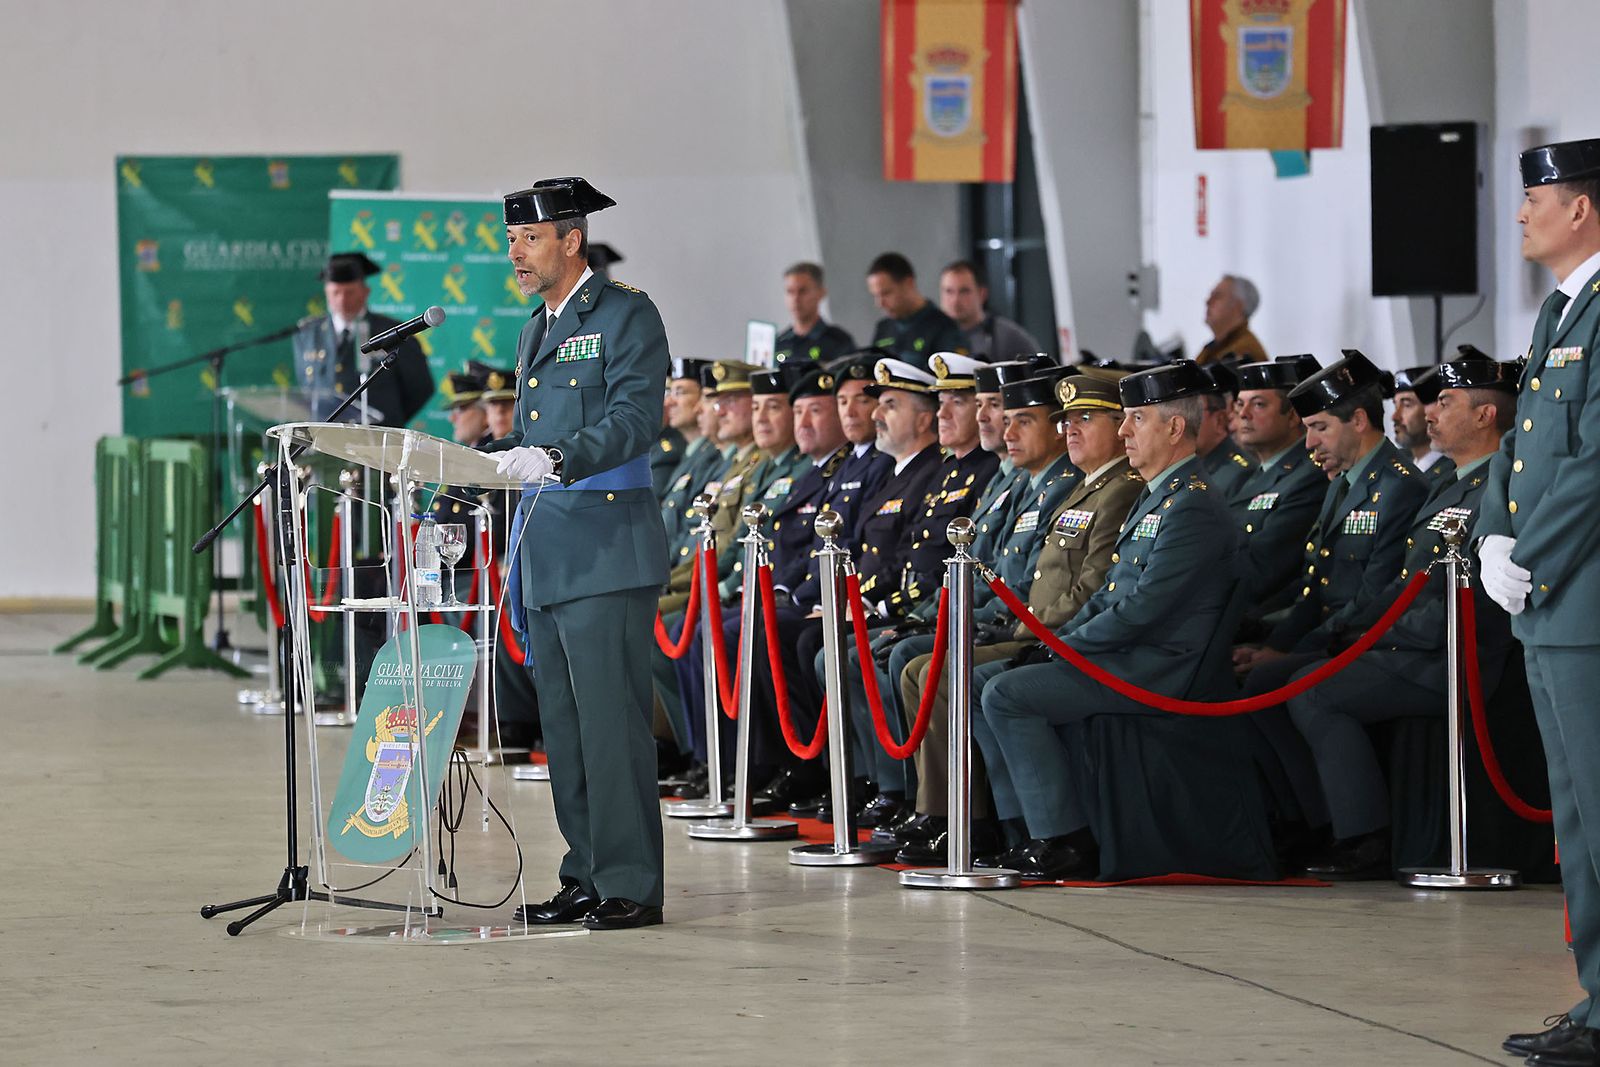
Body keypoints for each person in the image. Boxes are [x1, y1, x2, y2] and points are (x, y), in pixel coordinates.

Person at [976, 360, 1237, 879]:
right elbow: (1112, 592)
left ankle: (1062, 838)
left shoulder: (1190, 505)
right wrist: (1060, 640)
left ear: (1174, 427)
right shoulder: (1160, 494)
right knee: (982, 679)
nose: (1123, 431)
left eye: (1135, 419)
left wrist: (1066, 646)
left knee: (1003, 694)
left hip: (1156, 666)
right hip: (1123, 651)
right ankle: (1019, 829)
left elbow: (1143, 609)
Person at [490, 176, 669, 930]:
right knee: (564, 728)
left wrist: (556, 457)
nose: (517, 254)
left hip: (604, 548)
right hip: (548, 553)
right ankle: (587, 871)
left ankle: (631, 881)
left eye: (530, 239)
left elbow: (635, 418)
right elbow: (531, 436)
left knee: (609, 725)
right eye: (510, 242)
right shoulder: (537, 326)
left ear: (572, 239)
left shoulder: (626, 313)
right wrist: (484, 462)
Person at [1283, 357, 1519, 879]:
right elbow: (1403, 584)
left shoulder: (1497, 492)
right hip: (1415, 642)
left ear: (1484, 416)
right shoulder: (1449, 484)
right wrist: (1360, 630)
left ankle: (1364, 837)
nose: (1428, 414)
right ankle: (1329, 825)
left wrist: (1370, 635)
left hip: (1460, 654)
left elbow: (1470, 607)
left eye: (1446, 403)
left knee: (1312, 692)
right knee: (1296, 680)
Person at [1478, 138, 1600, 1066]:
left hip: (1584, 602)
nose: (1522, 213)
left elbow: (1595, 463)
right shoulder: (1560, 312)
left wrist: (1535, 554)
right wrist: (1491, 533)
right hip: (1550, 606)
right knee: (1575, 819)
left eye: (1536, 197)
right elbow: (1521, 449)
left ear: (1582, 209)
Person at [1229, 356, 1326, 614]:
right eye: (1240, 404)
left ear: (1293, 416)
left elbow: (1265, 569)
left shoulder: (1308, 476)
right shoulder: (1254, 474)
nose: (1244, 414)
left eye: (1258, 404)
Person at [293, 251, 435, 425]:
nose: (342, 300)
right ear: (326, 293)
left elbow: (420, 388)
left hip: (377, 441)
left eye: (349, 292)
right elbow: (306, 389)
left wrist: (388, 420)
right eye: (336, 293)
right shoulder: (307, 334)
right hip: (324, 439)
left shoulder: (394, 332)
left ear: (365, 292)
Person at [867, 252, 969, 371]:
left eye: (886, 293)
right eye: (875, 296)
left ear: (908, 283)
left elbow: (953, 378)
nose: (880, 303)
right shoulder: (883, 328)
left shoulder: (943, 327)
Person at [938, 259, 1041, 362]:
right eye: (949, 291)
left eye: (964, 291)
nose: (955, 300)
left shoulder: (1008, 337)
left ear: (982, 293)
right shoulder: (933, 335)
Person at [774, 262, 856, 365]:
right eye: (790, 292)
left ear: (821, 293)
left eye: (803, 291)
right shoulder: (778, 344)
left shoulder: (838, 341)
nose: (795, 299)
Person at [1391, 365, 1452, 477]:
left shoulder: (1450, 471)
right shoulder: (1400, 465)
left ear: (1432, 409)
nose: (1395, 416)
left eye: (1406, 405)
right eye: (1396, 405)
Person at [1196, 274, 1268, 366]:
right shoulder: (1212, 349)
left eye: (1217, 296)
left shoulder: (1245, 352)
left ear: (1238, 307)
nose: (1208, 301)